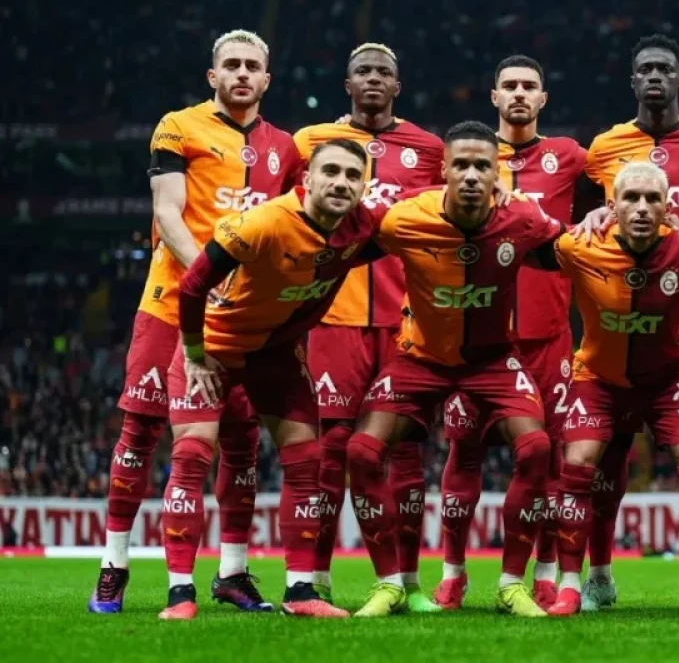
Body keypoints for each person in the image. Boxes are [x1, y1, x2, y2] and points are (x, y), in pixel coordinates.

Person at [90, 30, 297, 615]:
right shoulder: (178, 126)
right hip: (169, 302)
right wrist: (212, 276)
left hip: (244, 319)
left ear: (266, 80)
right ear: (213, 76)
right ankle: (114, 564)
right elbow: (166, 211)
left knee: (242, 442)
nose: (241, 74)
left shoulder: (286, 148)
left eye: (252, 66)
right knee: (140, 433)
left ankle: (232, 572)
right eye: (231, 65)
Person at [343, 121, 563, 618]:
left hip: (492, 360)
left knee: (536, 447)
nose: (470, 175)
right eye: (460, 164)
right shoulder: (404, 217)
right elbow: (342, 245)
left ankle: (511, 585)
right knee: (361, 450)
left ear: (496, 173)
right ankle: (390, 584)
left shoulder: (521, 217)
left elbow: (572, 248)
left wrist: (600, 219)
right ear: (442, 170)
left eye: (482, 166)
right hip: (420, 358)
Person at [161, 138, 383, 619]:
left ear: (364, 186)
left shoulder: (363, 226)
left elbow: (425, 212)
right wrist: (195, 355)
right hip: (215, 346)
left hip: (275, 352)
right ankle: (180, 594)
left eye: (353, 175)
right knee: (193, 455)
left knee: (307, 459)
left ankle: (300, 592)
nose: (341, 183)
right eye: (331, 171)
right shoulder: (263, 223)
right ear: (308, 178)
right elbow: (193, 285)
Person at [577, 33, 679, 612]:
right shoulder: (604, 148)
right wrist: (593, 214)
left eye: (664, 69)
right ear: (633, 81)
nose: (654, 76)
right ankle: (599, 575)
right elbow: (579, 214)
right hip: (619, 323)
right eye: (645, 68)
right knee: (608, 457)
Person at [293, 42, 444, 611]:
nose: (374, 79)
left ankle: (409, 582)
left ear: (397, 87)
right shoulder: (311, 143)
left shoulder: (429, 149)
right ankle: (317, 577)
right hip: (334, 318)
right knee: (331, 449)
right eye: (363, 71)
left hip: (407, 322)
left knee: (405, 452)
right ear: (347, 84)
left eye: (384, 72)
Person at [434, 54, 588, 611]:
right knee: (464, 451)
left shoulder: (570, 156)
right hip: (478, 338)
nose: (520, 93)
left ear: (543, 98)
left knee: (548, 457)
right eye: (510, 86)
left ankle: (543, 573)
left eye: (529, 86)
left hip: (548, 338)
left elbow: (626, 180)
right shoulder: (467, 158)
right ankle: (452, 572)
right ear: (494, 96)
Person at [547, 161, 679, 617]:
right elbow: (528, 245)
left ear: (668, 208)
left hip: (665, 381)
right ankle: (573, 585)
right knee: (579, 463)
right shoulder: (578, 245)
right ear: (612, 206)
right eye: (631, 198)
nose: (643, 207)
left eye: (653, 199)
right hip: (599, 380)